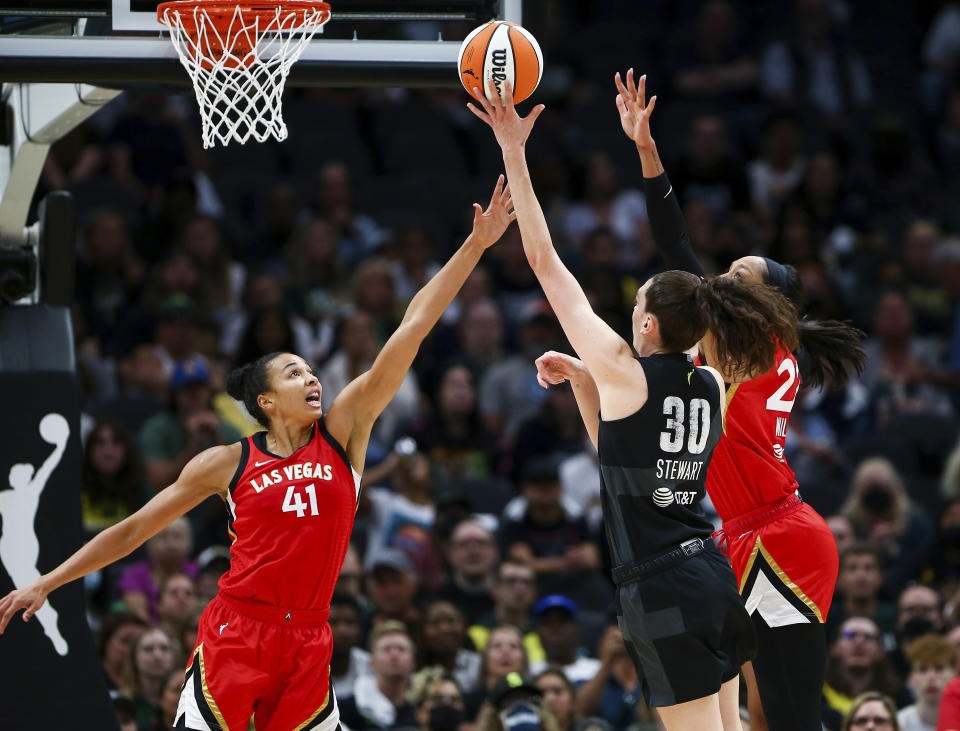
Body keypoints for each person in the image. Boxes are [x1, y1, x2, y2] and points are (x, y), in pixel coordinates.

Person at [0, 177, 517, 731]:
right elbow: (132, 532)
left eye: (313, 370)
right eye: (296, 372)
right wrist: (46, 581)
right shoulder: (225, 462)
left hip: (310, 638)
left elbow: (411, 329)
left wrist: (475, 245)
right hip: (237, 633)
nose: (313, 378)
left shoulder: (344, 433)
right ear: (266, 400)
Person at [471, 78, 799, 728]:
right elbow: (620, 457)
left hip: (660, 584)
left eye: (636, 304)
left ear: (647, 327)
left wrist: (512, 148)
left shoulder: (628, 371)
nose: (627, 314)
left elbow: (542, 259)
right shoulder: (707, 380)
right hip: (708, 570)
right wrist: (585, 383)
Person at [613, 69, 866, 731]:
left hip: (779, 534)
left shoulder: (750, 341)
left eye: (739, 274)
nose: (723, 277)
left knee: (790, 720)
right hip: (755, 532)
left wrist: (647, 152)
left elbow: (675, 247)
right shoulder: (748, 344)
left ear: (765, 302)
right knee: (767, 719)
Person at [338, 620, 419, 731]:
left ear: (413, 661)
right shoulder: (344, 710)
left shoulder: (421, 710)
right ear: (372, 661)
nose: (394, 655)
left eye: (401, 649)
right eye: (386, 649)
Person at [898, 634, 956, 731]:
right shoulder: (899, 722)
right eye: (922, 670)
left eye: (939, 668)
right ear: (911, 678)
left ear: (954, 675)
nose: (931, 677)